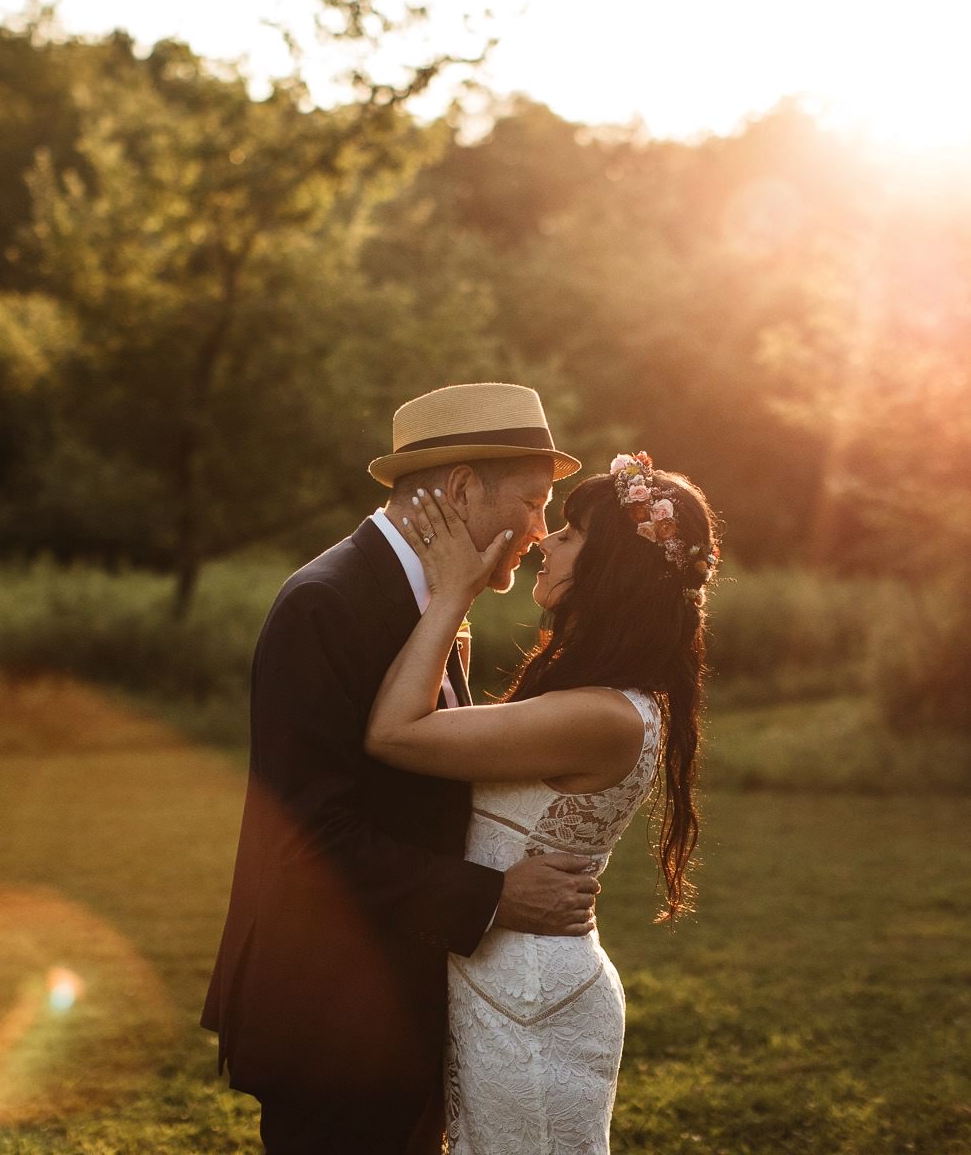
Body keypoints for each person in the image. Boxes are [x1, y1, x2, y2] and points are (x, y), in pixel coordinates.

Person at [201, 383, 605, 1155]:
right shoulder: (326, 605)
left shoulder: (427, 604)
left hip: (395, 1012)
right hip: (330, 1025)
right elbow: (306, 843)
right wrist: (496, 897)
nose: (541, 531)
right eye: (532, 502)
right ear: (459, 491)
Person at [365, 450, 719, 1153]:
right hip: (503, 986)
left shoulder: (600, 715)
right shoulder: (595, 702)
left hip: (532, 1004)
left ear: (613, 569)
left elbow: (394, 733)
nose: (545, 542)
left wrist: (454, 593)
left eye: (572, 533)